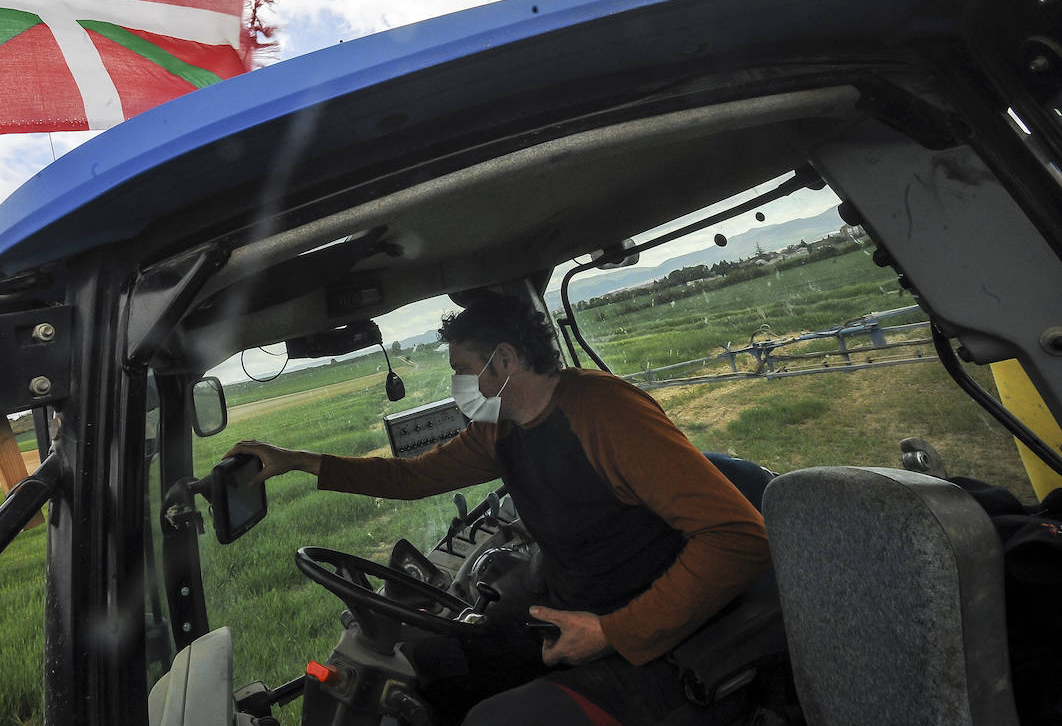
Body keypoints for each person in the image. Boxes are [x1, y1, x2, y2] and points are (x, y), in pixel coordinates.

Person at [227, 293, 771, 725]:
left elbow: (739, 537)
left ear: (506, 360)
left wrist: (614, 632)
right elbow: (411, 478)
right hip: (569, 609)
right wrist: (298, 461)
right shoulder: (501, 429)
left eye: (464, 370)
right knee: (426, 669)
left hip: (661, 636)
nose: (458, 385)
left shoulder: (605, 413)